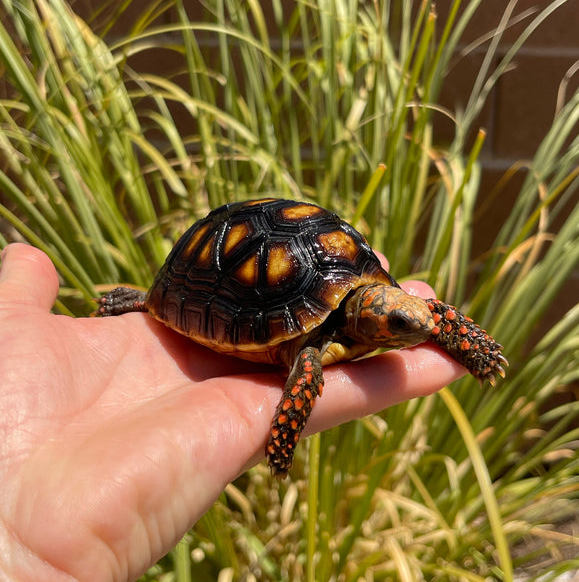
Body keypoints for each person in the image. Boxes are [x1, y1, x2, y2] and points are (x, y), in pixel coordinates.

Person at [0, 243, 465, 581]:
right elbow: (306, 374)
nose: (413, 330)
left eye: (412, 320)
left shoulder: (384, 306)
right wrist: (281, 442)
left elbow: (432, 314)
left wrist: (467, 344)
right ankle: (152, 300)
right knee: (307, 370)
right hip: (230, 267)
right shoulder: (312, 348)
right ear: (370, 319)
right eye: (400, 324)